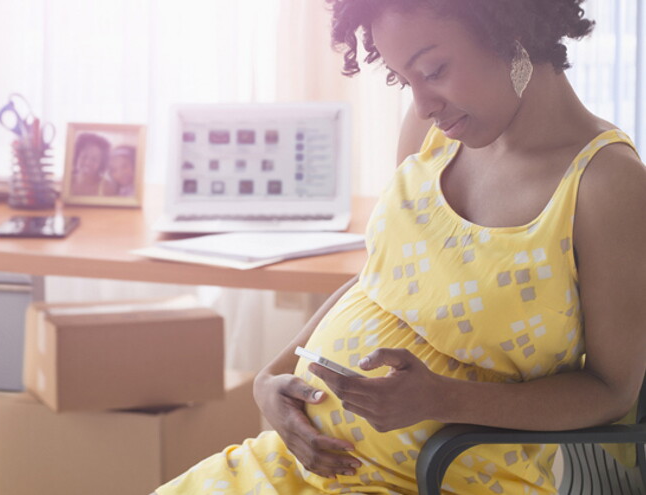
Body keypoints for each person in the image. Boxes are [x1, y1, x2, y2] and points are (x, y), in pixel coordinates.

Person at [154, 1, 646, 493]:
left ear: (512, 33)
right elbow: (377, 282)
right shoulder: (434, 134)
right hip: (293, 466)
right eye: (402, 80)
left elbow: (611, 390)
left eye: (434, 70)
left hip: (435, 483)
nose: (423, 105)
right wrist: (272, 375)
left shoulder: (606, 184)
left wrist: (444, 400)